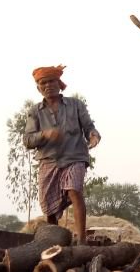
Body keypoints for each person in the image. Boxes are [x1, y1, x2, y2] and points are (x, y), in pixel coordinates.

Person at [24, 65, 100, 244]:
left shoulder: (75, 105)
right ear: (38, 88)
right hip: (49, 160)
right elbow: (27, 140)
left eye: (51, 81)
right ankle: (54, 241)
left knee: (74, 189)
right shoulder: (34, 112)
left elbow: (89, 127)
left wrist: (93, 136)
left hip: (75, 157)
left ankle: (81, 240)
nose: (48, 85)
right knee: (49, 207)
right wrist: (45, 134)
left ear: (59, 83)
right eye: (43, 83)